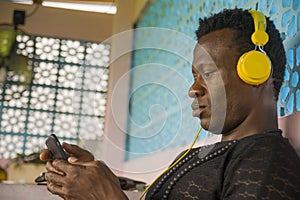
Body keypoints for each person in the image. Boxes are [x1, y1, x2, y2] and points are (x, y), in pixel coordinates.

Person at [40, 8, 300, 200]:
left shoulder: (267, 160)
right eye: (194, 78)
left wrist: (107, 197)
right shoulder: (207, 155)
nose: (193, 89)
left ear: (257, 72)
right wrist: (99, 181)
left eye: (208, 74)